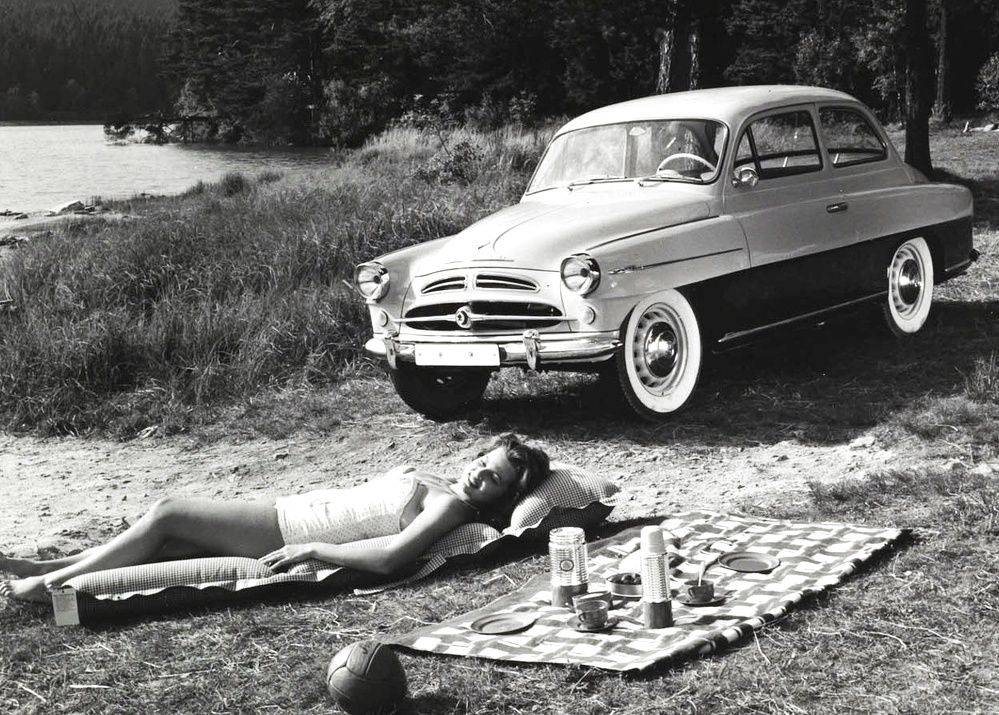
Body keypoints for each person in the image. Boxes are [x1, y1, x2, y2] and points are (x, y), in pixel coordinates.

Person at [0, 433, 550, 604]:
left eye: (494, 479)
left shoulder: (452, 507)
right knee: (165, 545)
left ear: (502, 497)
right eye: (485, 461)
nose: (480, 473)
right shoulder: (439, 481)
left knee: (168, 512)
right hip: (293, 510)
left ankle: (47, 586)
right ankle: (48, 568)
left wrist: (312, 552)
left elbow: (390, 558)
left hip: (292, 530)